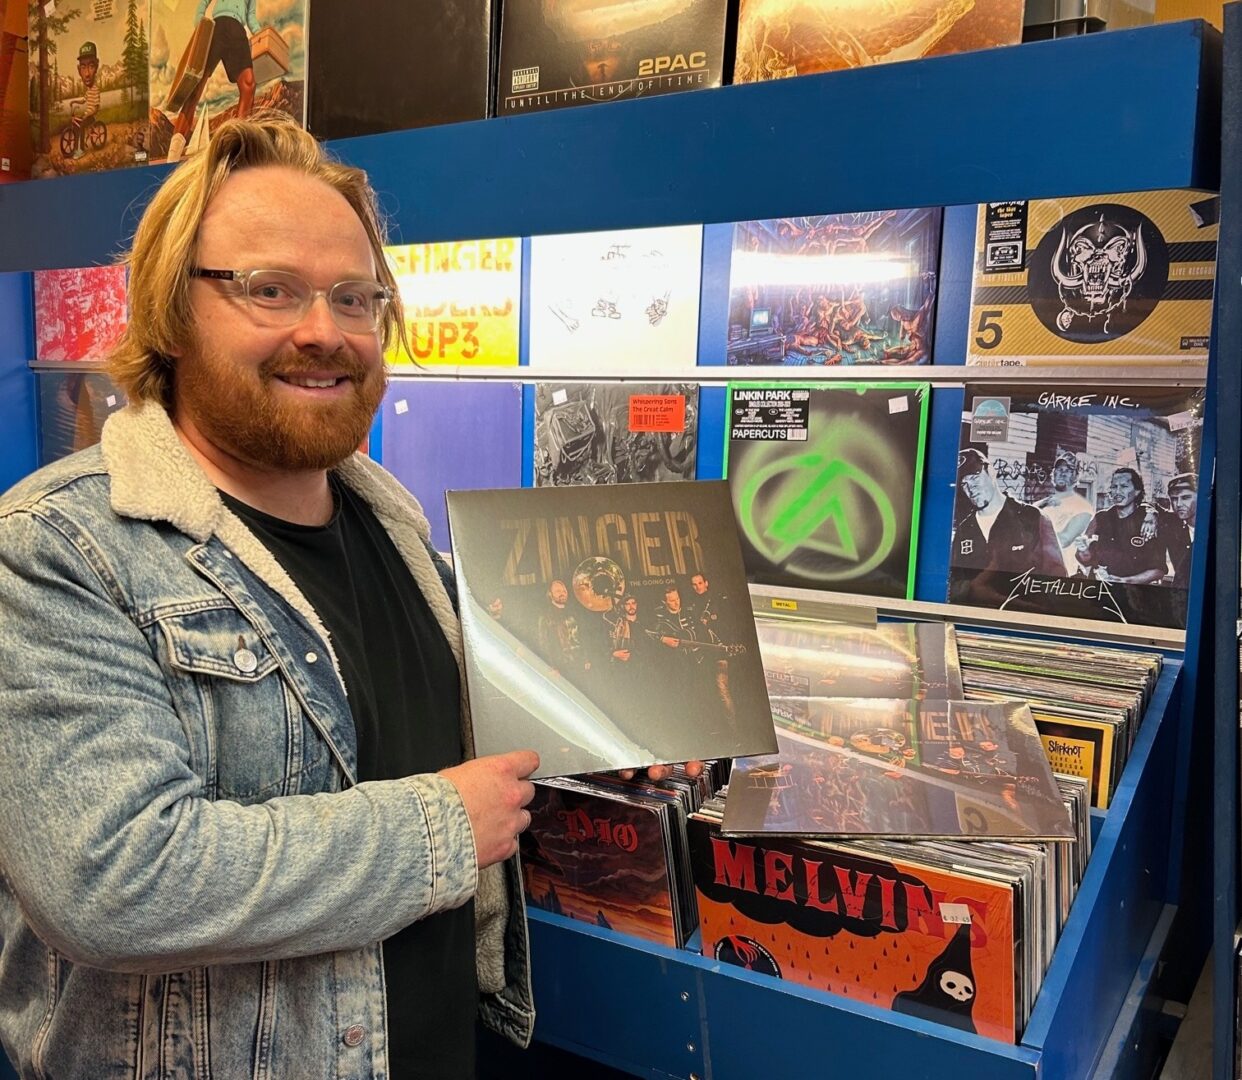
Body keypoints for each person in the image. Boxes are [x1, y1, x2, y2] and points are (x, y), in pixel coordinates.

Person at [0, 114, 550, 1079]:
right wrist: (440, 829)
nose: (324, 332)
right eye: (270, 290)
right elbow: (112, 880)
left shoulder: (396, 529)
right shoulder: (55, 549)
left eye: (354, 297)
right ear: (171, 313)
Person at [951, 449, 1065, 601]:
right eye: (964, 483)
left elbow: (1058, 578)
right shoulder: (963, 531)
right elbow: (953, 583)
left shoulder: (1033, 518)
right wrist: (969, 590)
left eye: (974, 477)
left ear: (991, 472)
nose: (971, 488)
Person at [167, 0, 261, 163]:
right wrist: (200, 24)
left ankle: (239, 147)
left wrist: (260, 33)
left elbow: (251, 16)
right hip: (216, 29)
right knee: (196, 84)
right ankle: (173, 153)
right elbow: (203, 3)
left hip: (237, 31)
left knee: (249, 83)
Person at [1074, 466, 1168, 585]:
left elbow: (1159, 570)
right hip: (1100, 588)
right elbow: (1086, 559)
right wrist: (1083, 549)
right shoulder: (1101, 518)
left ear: (1137, 491)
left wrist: (1125, 581)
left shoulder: (1148, 521)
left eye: (1124, 486)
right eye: (1114, 487)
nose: (1117, 492)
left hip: (1132, 591)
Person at [1035, 450, 1094, 574]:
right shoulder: (1040, 504)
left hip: (1063, 572)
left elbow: (1063, 540)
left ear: (1076, 476)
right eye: (1060, 469)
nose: (1063, 473)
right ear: (1054, 473)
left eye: (1068, 470)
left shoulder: (1082, 507)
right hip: (1036, 569)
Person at [1153, 471, 1198, 588]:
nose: (1178, 504)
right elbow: (1151, 506)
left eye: (1186, 497)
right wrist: (1150, 513)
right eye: (1174, 499)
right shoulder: (1172, 523)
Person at [66, 41, 102, 161]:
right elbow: (84, 100)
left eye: (91, 66)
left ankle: (81, 150)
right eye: (83, 67)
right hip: (87, 114)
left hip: (91, 116)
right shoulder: (88, 90)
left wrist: (88, 114)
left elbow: (96, 107)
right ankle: (75, 147)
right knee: (76, 125)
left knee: (81, 126)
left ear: (96, 67)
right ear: (79, 70)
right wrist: (75, 102)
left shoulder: (95, 89)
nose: (87, 74)